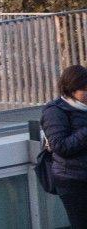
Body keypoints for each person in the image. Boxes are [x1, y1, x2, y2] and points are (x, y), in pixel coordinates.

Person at [40, 64, 87, 228]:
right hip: (73, 180)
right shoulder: (55, 112)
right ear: (71, 90)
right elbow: (61, 146)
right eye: (85, 90)